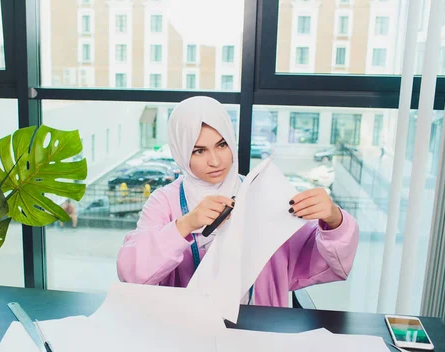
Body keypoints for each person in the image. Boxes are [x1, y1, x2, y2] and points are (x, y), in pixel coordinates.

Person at [116, 96, 359, 307]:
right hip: (185, 330)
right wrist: (186, 225)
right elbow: (131, 273)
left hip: (257, 328)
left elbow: (323, 261)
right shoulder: (164, 202)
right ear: (180, 152)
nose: (215, 161)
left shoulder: (262, 194)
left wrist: (333, 220)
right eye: (198, 150)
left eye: (221, 145)